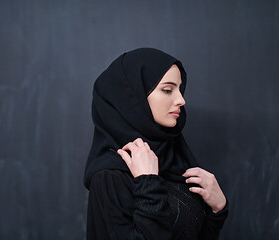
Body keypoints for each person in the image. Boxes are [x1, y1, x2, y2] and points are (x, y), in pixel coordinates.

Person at [83, 48, 228, 239]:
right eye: (168, 90)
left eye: (180, 89)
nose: (181, 100)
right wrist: (148, 183)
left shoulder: (175, 158)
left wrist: (218, 210)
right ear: (133, 97)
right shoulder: (110, 176)